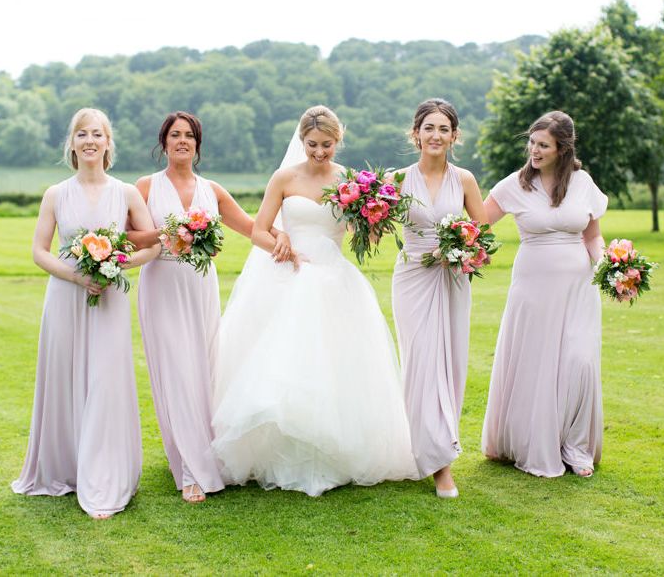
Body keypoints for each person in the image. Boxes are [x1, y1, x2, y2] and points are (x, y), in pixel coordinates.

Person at [211, 105, 417, 496]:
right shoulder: (284, 177)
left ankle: (333, 453)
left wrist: (376, 221)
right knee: (285, 364)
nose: (319, 152)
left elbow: (364, 236)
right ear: (301, 141)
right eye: (312, 145)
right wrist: (281, 240)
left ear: (338, 141)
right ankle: (281, 451)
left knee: (335, 365)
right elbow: (257, 230)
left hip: (335, 278)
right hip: (288, 274)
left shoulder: (351, 181)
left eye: (326, 145)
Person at [128, 111, 292, 504]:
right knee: (175, 373)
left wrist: (285, 240)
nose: (182, 141)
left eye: (189, 135)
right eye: (175, 135)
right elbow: (130, 237)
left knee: (204, 370)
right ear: (163, 142)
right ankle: (189, 469)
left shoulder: (213, 191)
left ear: (198, 145)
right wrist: (168, 234)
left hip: (200, 287)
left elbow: (252, 228)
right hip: (161, 284)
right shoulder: (145, 187)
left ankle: (203, 452)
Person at [12, 108, 160, 519]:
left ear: (108, 143)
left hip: (109, 298)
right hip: (65, 296)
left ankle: (105, 477)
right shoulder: (55, 194)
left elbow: (152, 246)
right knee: (64, 378)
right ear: (72, 144)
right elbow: (39, 250)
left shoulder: (126, 192)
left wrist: (116, 264)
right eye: (82, 134)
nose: (90, 140)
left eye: (98, 134)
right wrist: (78, 278)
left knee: (105, 380)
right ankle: (64, 468)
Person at [481, 110, 607, 478]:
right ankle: (534, 442)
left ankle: (577, 446)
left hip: (579, 288)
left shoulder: (582, 183)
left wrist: (605, 264)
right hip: (533, 288)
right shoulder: (513, 186)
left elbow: (592, 235)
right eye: (532, 143)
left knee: (579, 361)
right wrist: (472, 251)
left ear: (562, 149)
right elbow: (474, 225)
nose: (534, 151)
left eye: (543, 145)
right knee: (537, 362)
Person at [391, 98, 487, 498]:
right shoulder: (396, 180)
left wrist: (459, 248)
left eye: (443, 129)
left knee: (448, 363)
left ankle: (440, 455)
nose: (436, 135)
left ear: (454, 136)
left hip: (451, 280)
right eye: (428, 128)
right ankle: (432, 459)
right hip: (412, 277)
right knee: (421, 363)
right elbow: (371, 222)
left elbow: (481, 233)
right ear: (416, 134)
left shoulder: (464, 180)